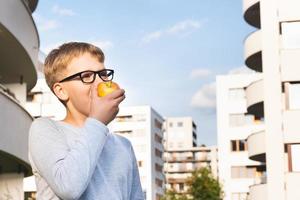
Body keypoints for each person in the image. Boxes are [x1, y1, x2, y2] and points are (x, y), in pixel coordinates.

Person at [28, 42, 144, 200]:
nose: (100, 83)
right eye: (87, 76)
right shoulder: (44, 129)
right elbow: (68, 188)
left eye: (103, 74)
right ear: (61, 91)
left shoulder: (124, 145)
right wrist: (97, 121)